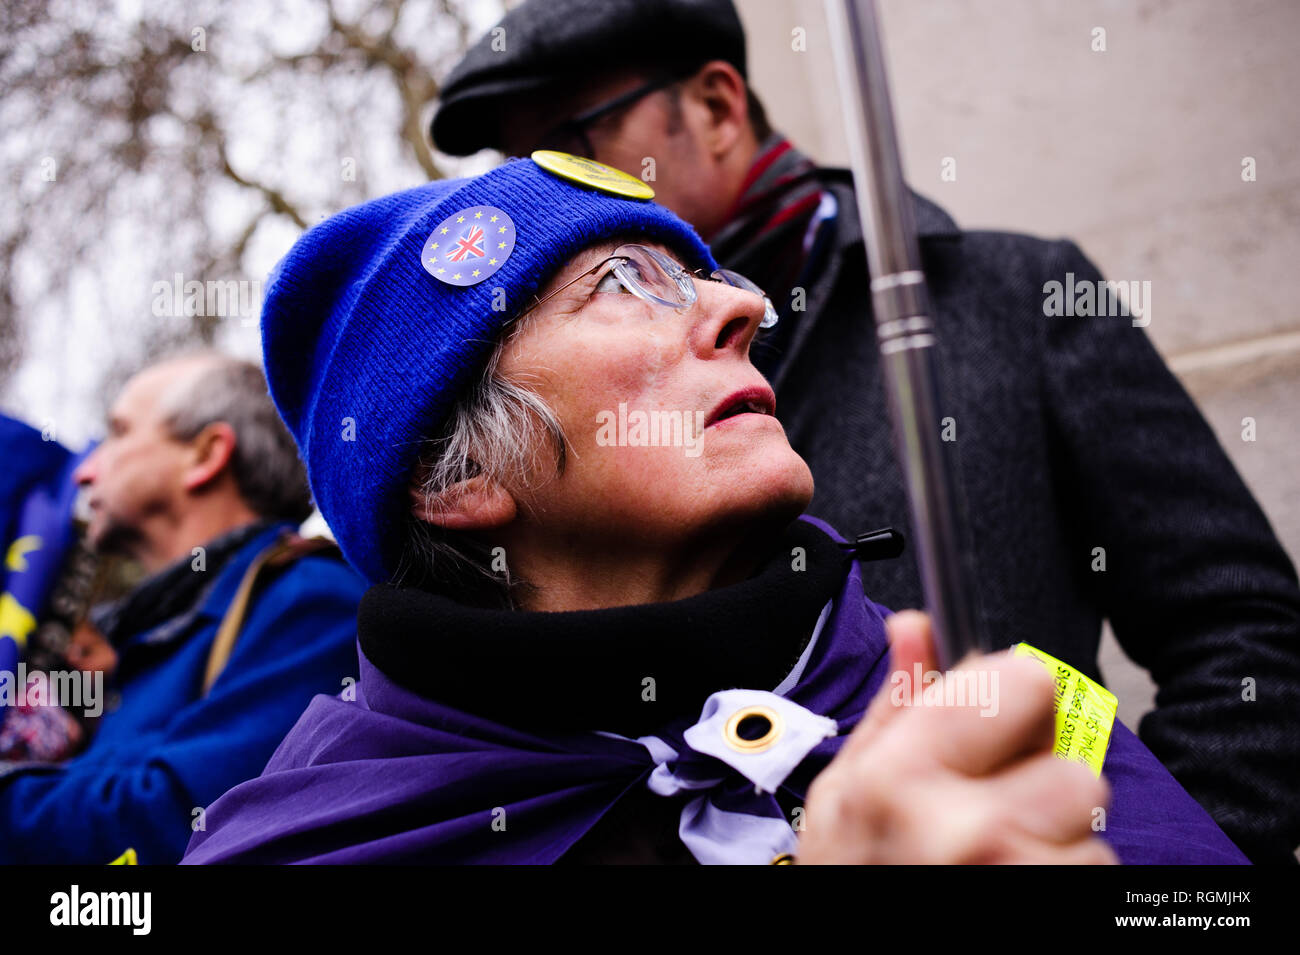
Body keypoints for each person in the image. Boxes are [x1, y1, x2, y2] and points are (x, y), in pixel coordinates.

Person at [181, 155, 1245, 864]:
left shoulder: (1009, 706)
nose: (741, 306)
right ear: (459, 478)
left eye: (711, 274)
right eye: (622, 283)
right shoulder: (298, 846)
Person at [427, 0, 1300, 863]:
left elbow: (1242, 630)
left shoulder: (1015, 298)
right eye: (520, 162)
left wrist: (1165, 864)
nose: (543, 189)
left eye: (572, 141)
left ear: (718, 106)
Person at [0, 353, 366, 864]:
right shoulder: (141, 637)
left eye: (119, 432)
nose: (84, 473)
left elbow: (174, 817)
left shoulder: (312, 602)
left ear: (205, 455)